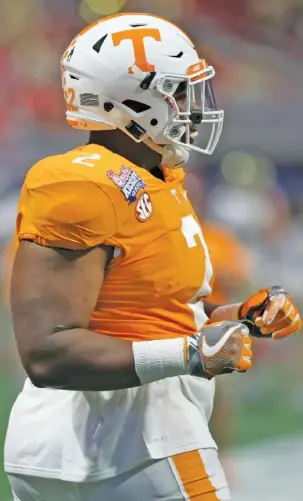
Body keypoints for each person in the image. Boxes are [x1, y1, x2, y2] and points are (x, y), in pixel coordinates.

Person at [4, 13, 301, 501]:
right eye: (178, 92)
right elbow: (47, 352)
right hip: (134, 442)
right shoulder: (81, 182)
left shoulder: (159, 180)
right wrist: (190, 354)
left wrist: (239, 317)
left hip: (80, 449)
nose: (192, 107)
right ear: (130, 100)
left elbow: (158, 314)